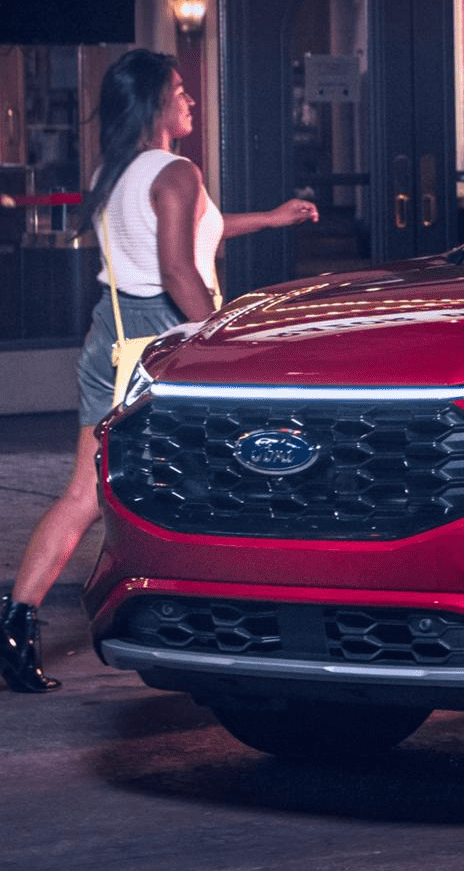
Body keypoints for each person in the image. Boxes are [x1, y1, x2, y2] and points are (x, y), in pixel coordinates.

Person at [1, 49, 317, 693]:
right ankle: (216, 624)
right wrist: (226, 345)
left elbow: (195, 234)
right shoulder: (176, 171)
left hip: (108, 339)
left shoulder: (117, 170)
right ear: (153, 102)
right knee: (220, 483)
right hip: (160, 340)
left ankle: (16, 623)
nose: (190, 99)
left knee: (85, 495)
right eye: (178, 90)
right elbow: (178, 270)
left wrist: (273, 218)